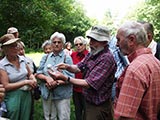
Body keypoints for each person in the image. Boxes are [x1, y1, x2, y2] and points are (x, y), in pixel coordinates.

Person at [48, 25, 117, 120]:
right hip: (89, 101)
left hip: (98, 106)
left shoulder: (106, 58)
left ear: (104, 42)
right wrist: (67, 66)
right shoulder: (93, 53)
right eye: (90, 39)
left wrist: (65, 78)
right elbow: (79, 67)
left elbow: (89, 83)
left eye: (94, 40)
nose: (90, 43)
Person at [114, 21, 160, 120]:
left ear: (131, 40)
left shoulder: (135, 69)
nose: (116, 45)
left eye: (118, 40)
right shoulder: (156, 62)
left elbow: (125, 116)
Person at [36, 32, 74, 120]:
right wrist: (46, 78)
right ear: (51, 43)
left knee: (63, 117)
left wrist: (56, 83)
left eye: (59, 42)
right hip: (47, 93)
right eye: (54, 42)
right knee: (48, 117)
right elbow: (38, 73)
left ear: (63, 44)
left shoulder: (66, 58)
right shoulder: (46, 57)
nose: (56, 44)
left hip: (62, 95)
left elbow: (71, 77)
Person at [0, 34, 37, 120]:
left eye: (16, 45)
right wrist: (26, 82)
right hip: (12, 96)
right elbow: (6, 86)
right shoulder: (2, 65)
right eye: (11, 46)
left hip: (26, 94)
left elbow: (30, 74)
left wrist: (33, 79)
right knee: (13, 116)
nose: (15, 48)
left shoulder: (23, 59)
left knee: (26, 117)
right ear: (5, 49)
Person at [71, 36, 89, 120]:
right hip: (75, 87)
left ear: (85, 45)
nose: (78, 46)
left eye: (80, 44)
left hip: (86, 88)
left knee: (87, 110)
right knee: (77, 110)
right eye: (76, 44)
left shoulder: (89, 55)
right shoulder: (72, 55)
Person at [109, 36, 128, 101]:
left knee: (116, 103)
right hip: (107, 82)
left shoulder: (115, 42)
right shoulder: (100, 46)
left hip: (116, 80)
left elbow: (126, 62)